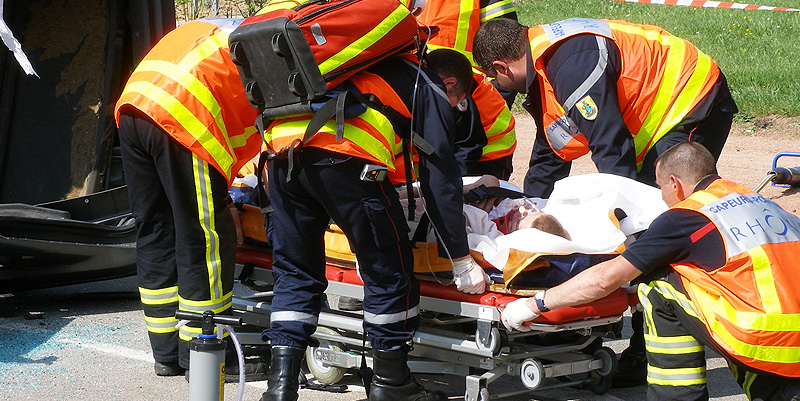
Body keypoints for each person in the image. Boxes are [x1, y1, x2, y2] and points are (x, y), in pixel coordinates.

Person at [473, 17, 738, 386]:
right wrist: (533, 201)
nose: (497, 88)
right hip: (658, 112)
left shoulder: (568, 62)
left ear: (501, 68)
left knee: (660, 229)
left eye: (492, 80)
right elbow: (555, 144)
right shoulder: (543, 66)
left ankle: (650, 352)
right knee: (642, 227)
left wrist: (622, 237)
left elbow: (612, 151)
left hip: (690, 98)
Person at [259, 54, 490, 401]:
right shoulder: (428, 86)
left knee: (295, 273)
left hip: (279, 157)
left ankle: (279, 388)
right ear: (452, 84)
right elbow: (440, 180)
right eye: (459, 103)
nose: (455, 108)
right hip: (340, 156)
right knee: (388, 268)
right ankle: (391, 384)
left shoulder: (363, 66)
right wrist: (460, 258)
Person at [498, 142, 800, 401]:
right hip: (790, 342)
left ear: (674, 183)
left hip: (771, 342)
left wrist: (533, 304)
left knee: (657, 283)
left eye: (659, 187)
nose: (662, 196)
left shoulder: (686, 216)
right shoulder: (760, 203)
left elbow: (605, 279)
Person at [114, 18, 266, 380]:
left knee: (156, 230)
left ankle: (167, 352)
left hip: (135, 107)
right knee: (205, 238)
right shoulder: (272, 50)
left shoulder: (223, 31)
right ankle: (206, 354)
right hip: (183, 116)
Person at [426, 49, 517, 180]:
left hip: (491, 153)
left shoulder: (457, 98)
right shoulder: (436, 84)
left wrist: (449, 179)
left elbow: (468, 146)